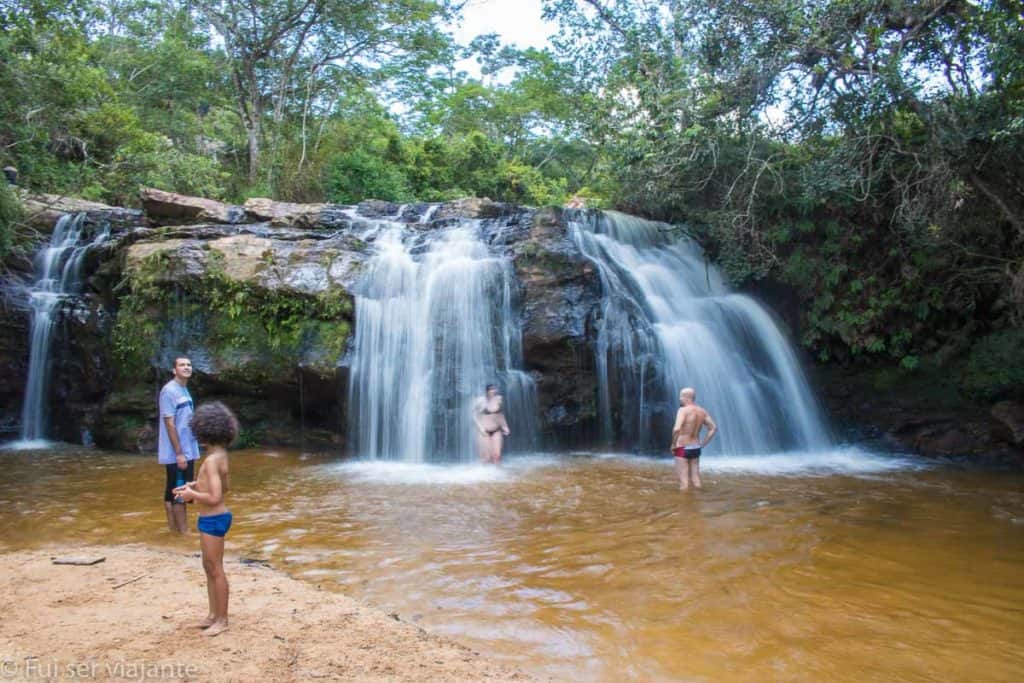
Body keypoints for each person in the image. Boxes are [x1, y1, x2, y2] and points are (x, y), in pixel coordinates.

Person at [173, 401, 239, 638]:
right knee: (209, 567)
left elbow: (215, 496)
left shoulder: (211, 460)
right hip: (215, 517)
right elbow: (226, 486)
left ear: (203, 430)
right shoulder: (220, 455)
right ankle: (213, 615)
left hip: (214, 518)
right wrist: (195, 485)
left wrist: (192, 494)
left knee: (215, 569)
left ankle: (222, 620)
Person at [158, 357, 200, 533]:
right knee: (180, 493)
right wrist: (179, 453)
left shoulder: (183, 389)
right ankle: (184, 533)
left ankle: (173, 531)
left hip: (186, 449)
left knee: (172, 491)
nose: (187, 367)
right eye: (182, 365)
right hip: (178, 452)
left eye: (189, 364)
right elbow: (169, 422)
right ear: (174, 370)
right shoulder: (169, 391)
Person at [670, 387, 717, 491]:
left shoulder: (682, 410)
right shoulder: (702, 411)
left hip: (682, 447)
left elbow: (677, 429)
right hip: (695, 447)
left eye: (681, 396)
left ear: (687, 397)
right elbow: (713, 428)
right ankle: (698, 502)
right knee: (696, 479)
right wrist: (703, 444)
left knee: (684, 482)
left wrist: (673, 445)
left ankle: (683, 505)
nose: (680, 399)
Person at [474, 384, 510, 464]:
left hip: (496, 430)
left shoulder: (499, 399)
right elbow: (473, 416)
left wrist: (505, 426)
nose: (493, 391)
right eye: (491, 389)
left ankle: (497, 474)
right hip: (483, 431)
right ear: (486, 391)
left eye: (494, 389)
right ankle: (485, 475)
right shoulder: (480, 401)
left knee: (497, 456)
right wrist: (480, 427)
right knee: (485, 458)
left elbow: (500, 414)